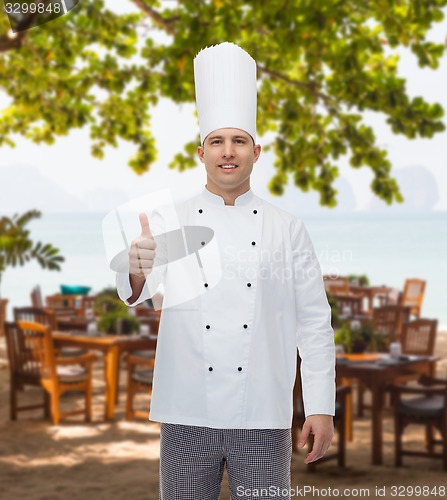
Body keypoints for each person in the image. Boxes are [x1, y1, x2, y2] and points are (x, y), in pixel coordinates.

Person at [117, 42, 335, 500]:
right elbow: (141, 290)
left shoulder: (287, 228)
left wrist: (320, 407)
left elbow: (314, 323)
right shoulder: (168, 220)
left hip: (262, 412)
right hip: (186, 409)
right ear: (201, 153)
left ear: (257, 151)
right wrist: (137, 267)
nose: (228, 152)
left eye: (239, 141)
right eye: (217, 141)